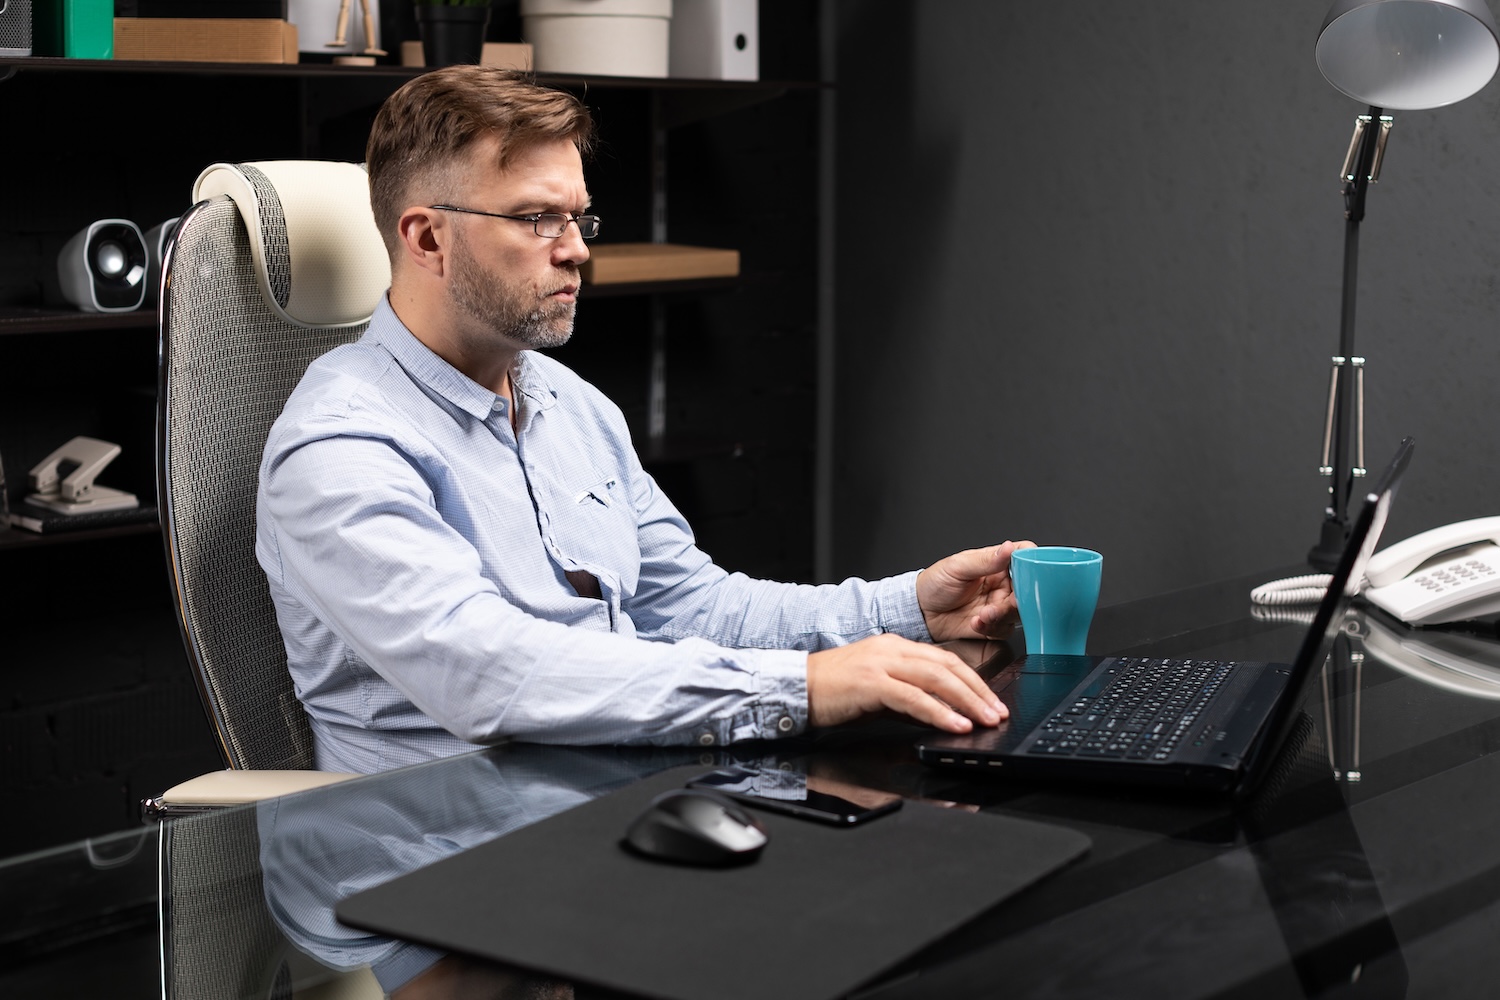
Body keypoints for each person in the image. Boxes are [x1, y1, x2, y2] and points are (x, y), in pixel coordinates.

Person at [255, 65, 1032, 774]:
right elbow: (488, 674)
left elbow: (698, 609)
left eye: (579, 220)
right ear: (428, 238)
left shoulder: (574, 407)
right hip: (429, 864)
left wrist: (907, 610)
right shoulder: (340, 443)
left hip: (607, 803)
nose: (576, 252)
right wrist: (805, 686)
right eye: (537, 219)